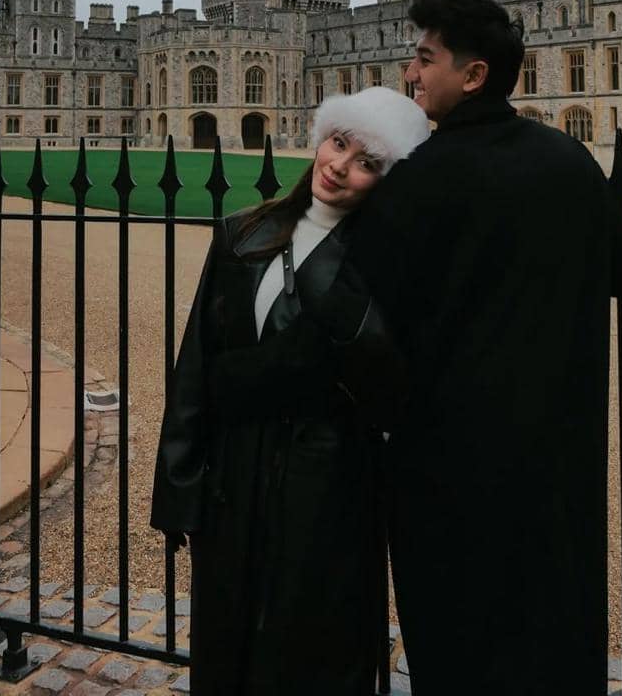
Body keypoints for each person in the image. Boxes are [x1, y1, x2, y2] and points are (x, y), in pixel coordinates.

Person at [329, 0, 622, 696]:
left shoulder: (417, 178)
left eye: (425, 59)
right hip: (558, 452)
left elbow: (360, 311)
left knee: (456, 634)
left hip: (444, 459)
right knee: (555, 624)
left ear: (472, 75)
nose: (411, 74)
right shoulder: (567, 159)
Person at [150, 86, 430, 696]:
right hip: (236, 472)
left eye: (367, 162)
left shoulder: (385, 264)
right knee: (227, 637)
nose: (340, 166)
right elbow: (196, 366)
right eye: (339, 143)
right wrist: (179, 482)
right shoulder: (241, 233)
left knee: (313, 650)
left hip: (329, 479)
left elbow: (393, 390)